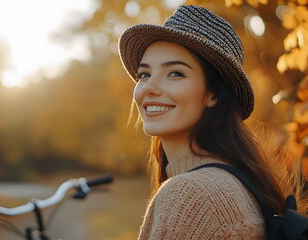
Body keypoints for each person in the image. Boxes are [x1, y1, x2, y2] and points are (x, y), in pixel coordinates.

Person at [118, 5, 306, 239]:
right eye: (144, 74)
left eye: (175, 73)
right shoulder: (235, 182)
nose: (149, 88)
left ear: (213, 94)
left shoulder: (190, 194)